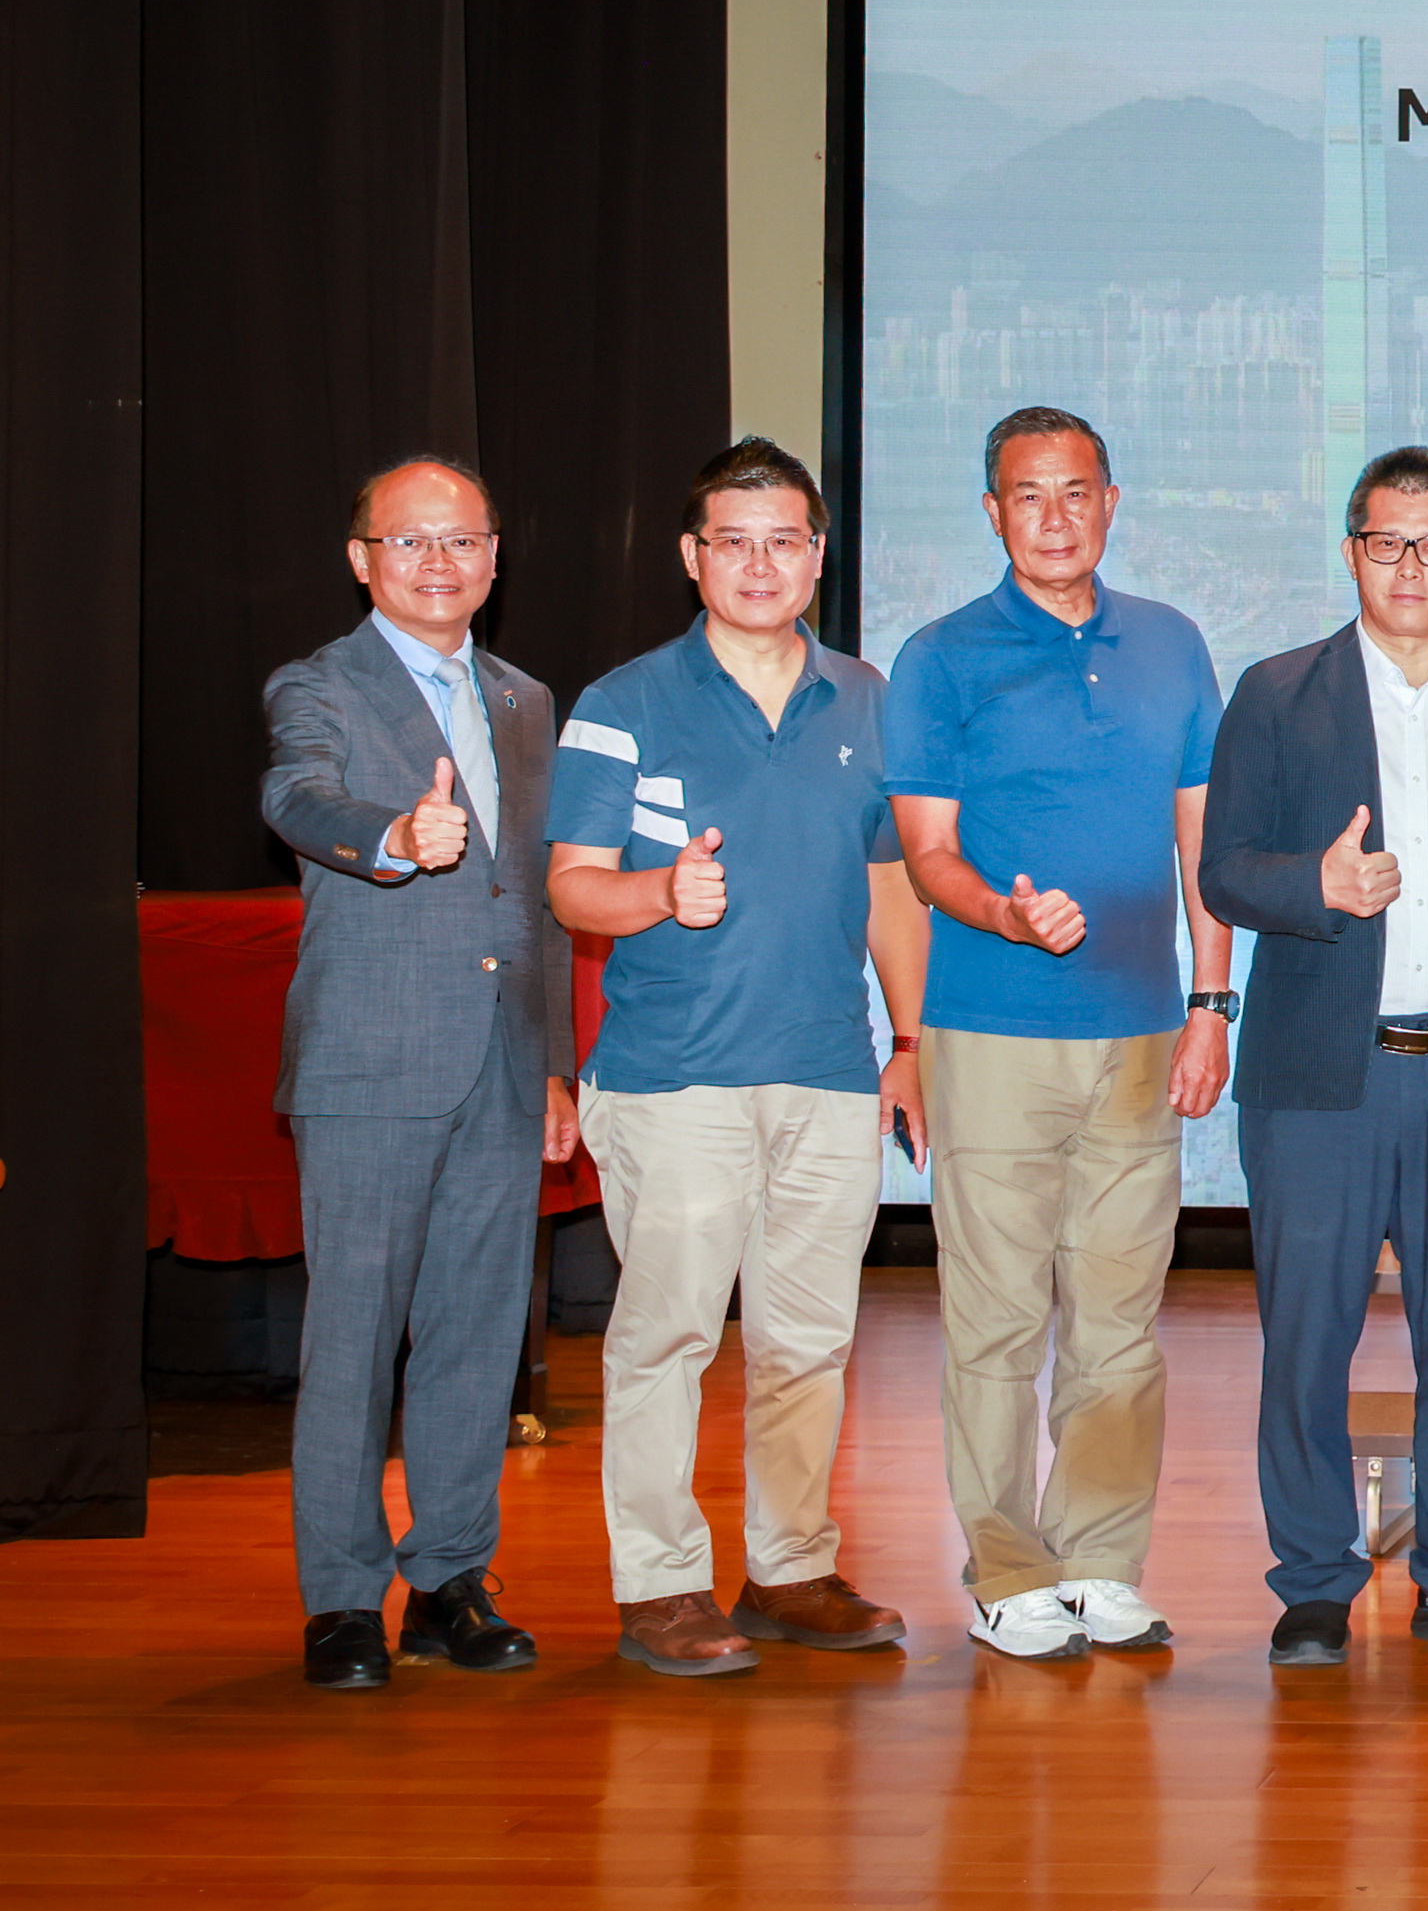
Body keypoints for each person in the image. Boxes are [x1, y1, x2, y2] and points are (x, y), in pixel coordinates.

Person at [544, 437, 926, 1675]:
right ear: (692, 557)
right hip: (673, 1084)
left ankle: (789, 1568)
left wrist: (910, 1042)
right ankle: (659, 1585)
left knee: (808, 1340)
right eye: (732, 542)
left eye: (783, 541)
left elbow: (888, 888)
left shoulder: (869, 700)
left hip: (827, 1076)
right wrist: (663, 891)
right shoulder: (623, 703)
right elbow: (573, 894)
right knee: (665, 1340)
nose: (759, 564)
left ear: (816, 556)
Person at [1201, 447, 1428, 1669]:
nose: (1409, 566)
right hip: (1322, 1078)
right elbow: (1223, 870)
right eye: (1384, 541)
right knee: (1305, 1336)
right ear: (1351, 549)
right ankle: (1313, 1576)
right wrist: (1314, 884)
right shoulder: (1276, 692)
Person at [884, 404, 1234, 1662]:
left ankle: (1099, 1559)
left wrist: (1210, 1006)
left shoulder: (1172, 646)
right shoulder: (940, 657)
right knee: (992, 1321)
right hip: (990, 1030)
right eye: (1028, 496)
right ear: (993, 512)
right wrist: (1010, 918)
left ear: (1110, 500)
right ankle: (1006, 1566)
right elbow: (927, 857)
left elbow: (1202, 845)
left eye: (1076, 491)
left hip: (1145, 1032)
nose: (1054, 516)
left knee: (1119, 1324)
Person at [258, 458, 577, 1691]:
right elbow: (295, 793)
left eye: (462, 541)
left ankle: (448, 1579)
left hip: (501, 1065)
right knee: (354, 1340)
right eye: (409, 542)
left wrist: (552, 1064)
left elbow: (540, 900)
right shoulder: (319, 683)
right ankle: (339, 1601)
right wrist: (390, 839)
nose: (438, 563)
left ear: (495, 558)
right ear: (362, 559)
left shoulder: (524, 699)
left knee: (474, 1334)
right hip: (369, 1063)